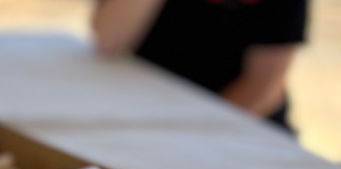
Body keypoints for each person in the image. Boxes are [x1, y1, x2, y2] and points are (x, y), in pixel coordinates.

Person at [91, 0, 309, 132]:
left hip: (239, 123)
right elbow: (109, 42)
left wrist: (191, 135)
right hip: (146, 111)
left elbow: (262, 90)